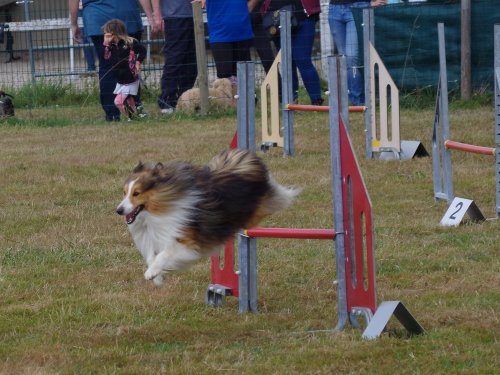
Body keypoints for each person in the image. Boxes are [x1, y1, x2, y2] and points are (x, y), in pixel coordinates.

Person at [69, 0, 162, 121]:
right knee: (130, 64)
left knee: (107, 66)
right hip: (127, 15)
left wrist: (74, 23)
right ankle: (134, 110)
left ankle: (112, 114)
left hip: (98, 17)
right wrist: (151, 16)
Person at [262, 0, 323, 105]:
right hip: (276, 17)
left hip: (303, 15)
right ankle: (291, 101)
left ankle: (316, 100)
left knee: (302, 58)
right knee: (287, 61)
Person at [328, 0, 386, 106]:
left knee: (352, 56)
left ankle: (357, 99)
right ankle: (347, 97)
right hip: (334, 9)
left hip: (357, 7)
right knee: (343, 57)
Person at [199, 0, 254, 103]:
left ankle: (245, 102)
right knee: (224, 75)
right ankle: (227, 103)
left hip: (242, 30)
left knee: (243, 73)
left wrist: (250, 5)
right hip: (219, 32)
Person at [155, 0, 198, 115]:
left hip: (193, 15)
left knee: (192, 63)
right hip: (174, 17)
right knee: (174, 59)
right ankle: (167, 101)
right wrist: (157, 16)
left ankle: (183, 100)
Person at [102, 19, 147, 120]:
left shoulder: (130, 42)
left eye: (107, 33)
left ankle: (130, 118)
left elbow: (143, 50)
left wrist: (138, 61)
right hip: (120, 79)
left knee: (118, 101)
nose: (106, 35)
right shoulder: (111, 46)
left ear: (115, 33)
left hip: (131, 77)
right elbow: (106, 57)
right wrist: (106, 44)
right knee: (131, 100)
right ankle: (137, 116)